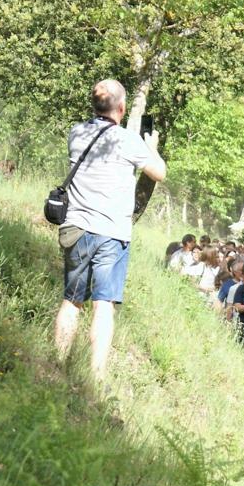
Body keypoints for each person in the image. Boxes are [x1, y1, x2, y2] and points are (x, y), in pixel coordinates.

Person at [53, 79, 166, 382]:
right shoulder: (127, 141)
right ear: (122, 108)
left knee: (72, 300)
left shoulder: (77, 132)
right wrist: (149, 147)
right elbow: (159, 173)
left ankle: (58, 364)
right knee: (103, 306)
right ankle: (97, 377)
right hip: (111, 233)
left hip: (76, 227)